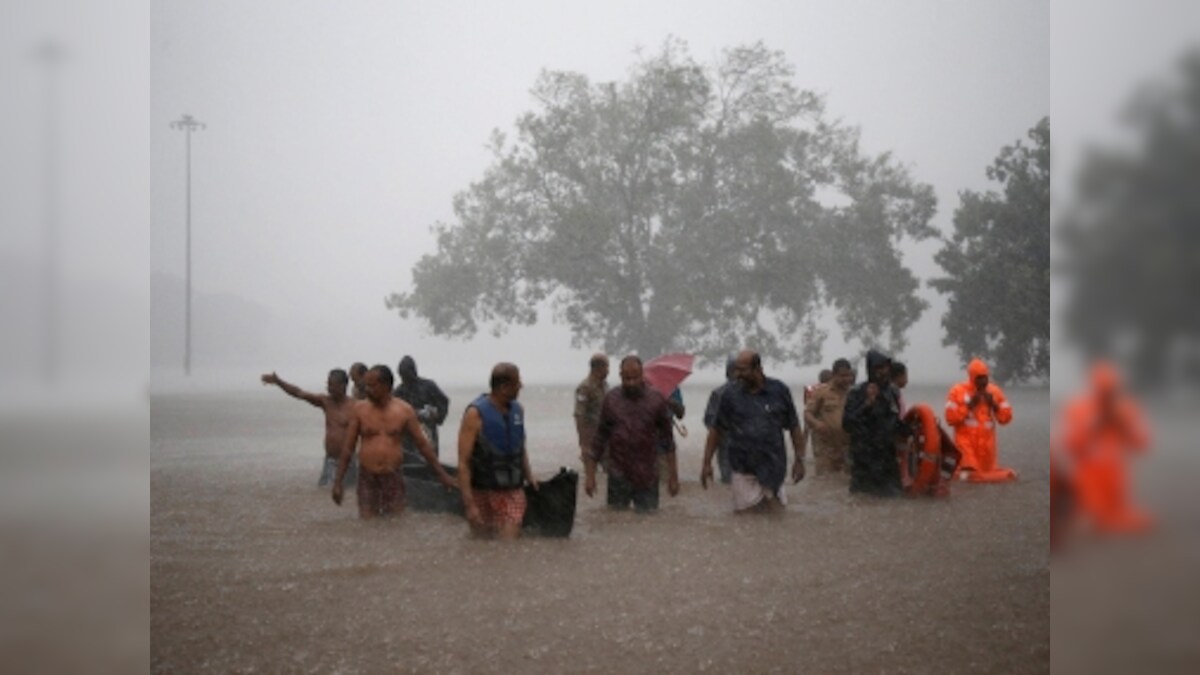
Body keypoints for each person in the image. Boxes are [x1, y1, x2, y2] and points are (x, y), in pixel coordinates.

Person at [332, 365, 455, 519]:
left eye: (372, 386)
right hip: (367, 477)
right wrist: (338, 482)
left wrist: (442, 474)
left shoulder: (404, 410)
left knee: (396, 525)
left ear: (386, 386)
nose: (367, 390)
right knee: (366, 524)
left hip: (393, 476)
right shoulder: (360, 410)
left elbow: (423, 446)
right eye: (366, 386)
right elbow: (348, 448)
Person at [702, 350, 805, 513]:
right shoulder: (729, 394)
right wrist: (706, 463)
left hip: (773, 465)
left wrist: (800, 460)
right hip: (742, 467)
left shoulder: (779, 391)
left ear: (757, 368)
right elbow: (716, 429)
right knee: (746, 517)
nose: (737, 374)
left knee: (776, 514)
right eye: (736, 369)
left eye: (742, 370)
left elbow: (794, 426)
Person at [1057, 361, 1151, 534]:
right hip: (1088, 475)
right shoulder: (1078, 408)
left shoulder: (1126, 409)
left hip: (1117, 474)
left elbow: (1142, 445)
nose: (1107, 396)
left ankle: (1108, 517)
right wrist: (1094, 427)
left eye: (1111, 391)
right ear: (1094, 389)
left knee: (1136, 520)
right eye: (1103, 392)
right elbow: (1070, 446)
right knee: (1096, 518)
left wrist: (1123, 426)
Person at [585, 355, 679, 513]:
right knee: (615, 521)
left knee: (648, 522)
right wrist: (590, 476)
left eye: (635, 377)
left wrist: (673, 477)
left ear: (642, 375)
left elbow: (668, 441)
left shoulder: (656, 399)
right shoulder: (611, 400)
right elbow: (599, 439)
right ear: (620, 375)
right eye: (627, 378)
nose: (631, 382)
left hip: (647, 475)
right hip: (618, 473)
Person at [458, 363, 538, 539]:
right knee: (483, 547)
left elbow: (520, 447)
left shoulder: (519, 410)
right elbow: (463, 463)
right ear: (503, 387)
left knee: (508, 548)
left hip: (512, 491)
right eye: (517, 383)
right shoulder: (474, 414)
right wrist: (469, 505)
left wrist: (529, 475)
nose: (521, 387)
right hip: (482, 491)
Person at [261, 369, 358, 487]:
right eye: (328, 385)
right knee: (325, 493)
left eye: (332, 385)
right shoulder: (326, 402)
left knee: (349, 493)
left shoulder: (355, 406)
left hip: (349, 461)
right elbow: (299, 393)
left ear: (343, 385)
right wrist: (278, 382)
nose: (329, 388)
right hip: (330, 460)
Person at [842, 349, 905, 497]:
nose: (883, 372)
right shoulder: (856, 392)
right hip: (864, 459)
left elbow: (896, 423)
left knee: (894, 502)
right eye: (879, 368)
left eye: (886, 368)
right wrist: (867, 404)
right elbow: (847, 423)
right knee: (863, 501)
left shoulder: (893, 392)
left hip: (888, 459)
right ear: (871, 369)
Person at [945, 359, 1017, 482]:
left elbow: (1006, 418)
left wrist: (994, 405)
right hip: (966, 445)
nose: (983, 381)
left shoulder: (994, 391)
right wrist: (969, 406)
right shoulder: (958, 391)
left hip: (987, 448)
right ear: (972, 377)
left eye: (985, 377)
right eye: (979, 378)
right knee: (971, 477)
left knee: (986, 479)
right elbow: (950, 418)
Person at [393, 355, 450, 461]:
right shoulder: (398, 391)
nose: (405, 377)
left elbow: (443, 402)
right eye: (402, 375)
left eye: (406, 373)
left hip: (427, 431)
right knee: (409, 462)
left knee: (430, 461)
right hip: (407, 435)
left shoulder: (428, 386)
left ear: (413, 371)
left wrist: (436, 415)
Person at [804, 359, 853, 476]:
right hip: (826, 450)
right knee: (825, 483)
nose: (846, 379)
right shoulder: (821, 392)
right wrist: (816, 423)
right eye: (842, 375)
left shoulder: (854, 394)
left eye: (848, 375)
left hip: (847, 448)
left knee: (844, 483)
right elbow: (807, 414)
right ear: (834, 375)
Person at [702, 355, 738, 484]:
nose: (738, 374)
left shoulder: (755, 393)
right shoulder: (719, 394)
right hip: (726, 447)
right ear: (728, 372)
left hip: (746, 449)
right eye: (735, 370)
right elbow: (710, 423)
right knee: (730, 482)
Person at [574, 353, 609, 466]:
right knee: (591, 474)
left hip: (606, 437)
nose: (608, 371)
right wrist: (584, 444)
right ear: (599, 368)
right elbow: (579, 415)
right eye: (607, 367)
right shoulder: (585, 387)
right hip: (591, 438)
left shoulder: (605, 386)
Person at [802, 369, 834, 463]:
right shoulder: (831, 388)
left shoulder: (810, 388)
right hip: (825, 416)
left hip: (811, 413)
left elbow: (805, 402)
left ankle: (802, 453)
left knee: (806, 432)